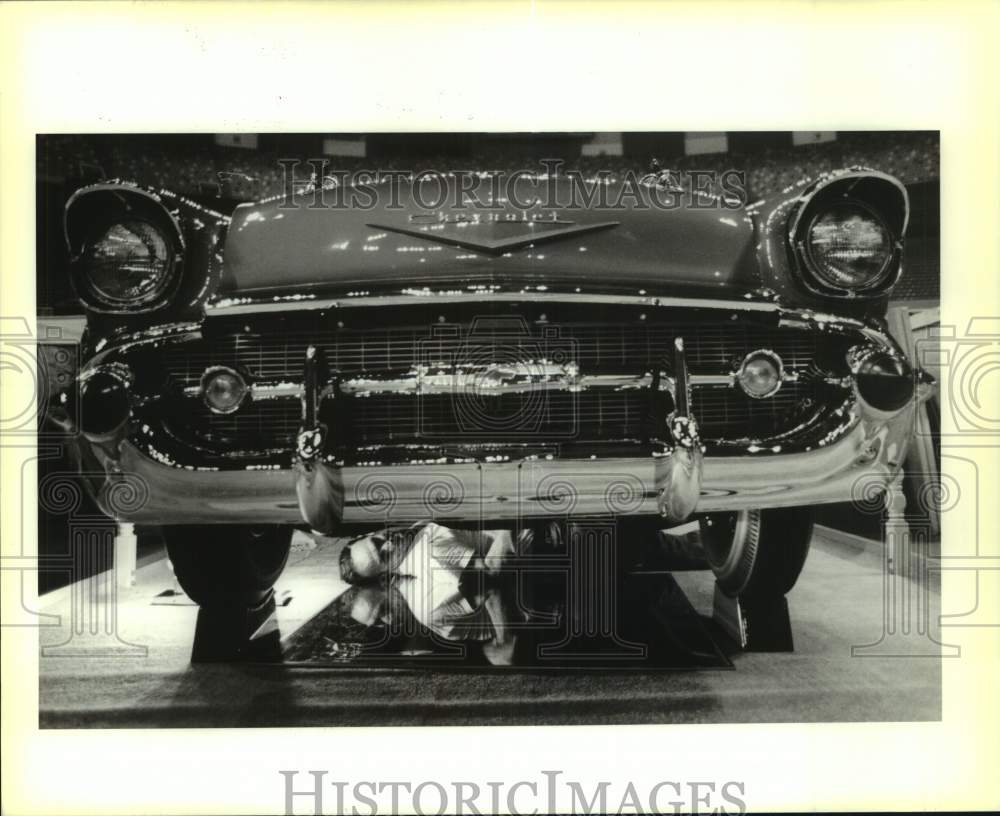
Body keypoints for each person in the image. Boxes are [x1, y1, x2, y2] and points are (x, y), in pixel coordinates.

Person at [338, 522, 533, 664]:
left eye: (376, 539)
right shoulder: (426, 550)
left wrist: (501, 642)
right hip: (539, 559)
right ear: (384, 578)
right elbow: (490, 581)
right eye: (384, 554)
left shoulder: (425, 614)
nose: (389, 540)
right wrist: (509, 527)